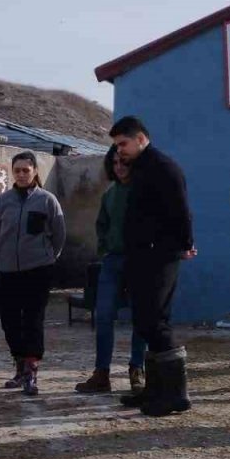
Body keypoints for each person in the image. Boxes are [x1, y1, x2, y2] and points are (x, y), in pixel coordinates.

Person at [111, 116, 197, 417]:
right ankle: (155, 390)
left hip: (159, 255)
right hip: (142, 256)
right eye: (117, 145)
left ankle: (176, 395)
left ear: (140, 138)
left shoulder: (162, 166)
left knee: (154, 322)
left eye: (123, 143)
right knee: (146, 320)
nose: (119, 150)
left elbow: (181, 210)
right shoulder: (142, 168)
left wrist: (185, 244)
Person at [76, 145, 147, 394]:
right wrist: (105, 250)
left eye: (124, 163)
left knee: (141, 318)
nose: (119, 168)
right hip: (112, 262)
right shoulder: (110, 193)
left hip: (140, 262)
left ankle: (137, 370)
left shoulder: (143, 191)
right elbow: (101, 225)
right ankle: (101, 373)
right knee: (104, 315)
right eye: (115, 163)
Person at [0, 151, 66, 395]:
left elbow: (59, 234)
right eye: (17, 170)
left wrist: (48, 258)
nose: (22, 174)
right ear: (12, 172)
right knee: (11, 321)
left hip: (38, 271)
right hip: (7, 271)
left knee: (33, 320)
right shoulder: (2, 202)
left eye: (26, 170)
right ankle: (19, 367)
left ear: (35, 171)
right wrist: (4, 256)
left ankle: (31, 372)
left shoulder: (47, 200)